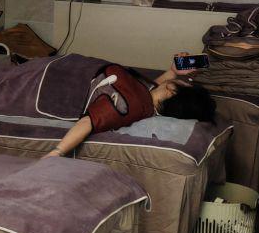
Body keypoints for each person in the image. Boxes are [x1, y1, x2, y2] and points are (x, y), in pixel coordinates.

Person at [44, 51, 216, 158]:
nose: (184, 80)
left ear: (172, 90)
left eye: (185, 83)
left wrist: (57, 152)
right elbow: (148, 90)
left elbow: (88, 122)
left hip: (59, 76)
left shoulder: (128, 105)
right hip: (71, 65)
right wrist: (172, 71)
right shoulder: (147, 101)